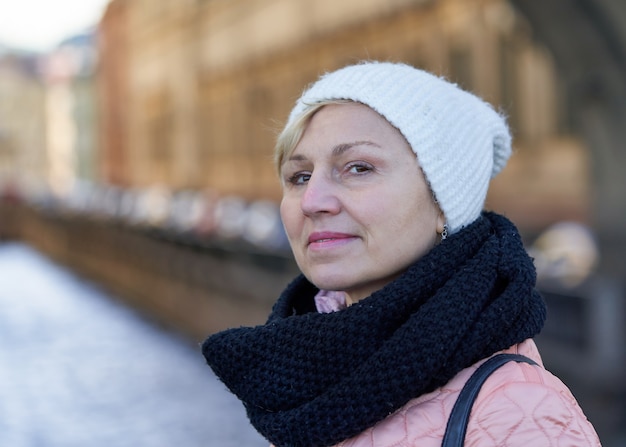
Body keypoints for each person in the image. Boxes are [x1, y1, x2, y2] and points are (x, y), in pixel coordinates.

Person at [202, 61, 601, 446]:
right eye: (299, 176)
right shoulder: (304, 381)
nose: (312, 200)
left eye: (358, 168)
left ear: (444, 202)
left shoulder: (518, 413)